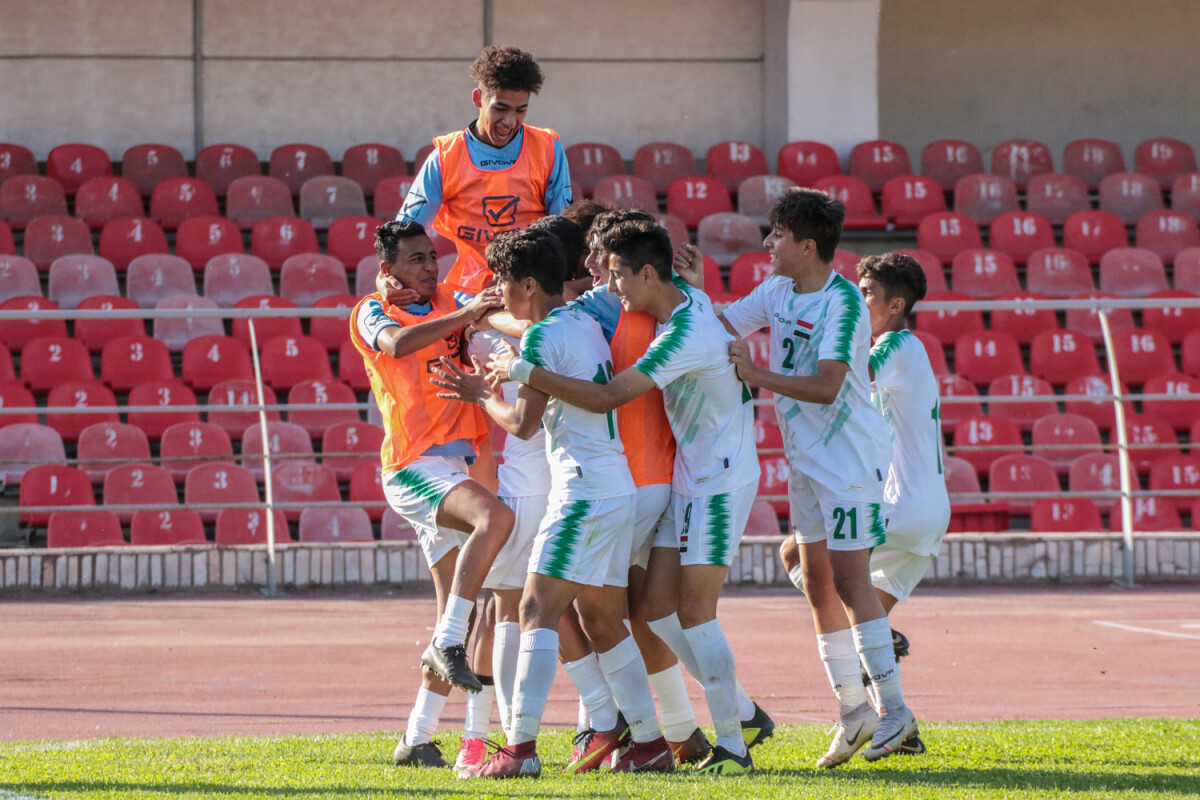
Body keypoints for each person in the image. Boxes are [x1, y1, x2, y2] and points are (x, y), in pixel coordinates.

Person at [490, 219, 762, 776]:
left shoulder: (681, 333)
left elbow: (608, 396)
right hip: (677, 477)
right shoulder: (676, 305)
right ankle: (661, 737)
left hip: (715, 479)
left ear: (648, 273)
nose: (609, 285)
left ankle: (735, 740)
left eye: (615, 273)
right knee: (647, 612)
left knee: (689, 613)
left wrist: (519, 370)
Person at [433, 227, 674, 778]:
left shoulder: (542, 338)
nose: (498, 291)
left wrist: (483, 396)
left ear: (528, 285)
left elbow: (522, 425)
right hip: (615, 485)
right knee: (603, 621)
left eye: (503, 282)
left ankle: (519, 749)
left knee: (535, 610)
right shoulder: (579, 321)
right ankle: (650, 742)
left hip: (582, 490)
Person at [708, 187, 918, 767]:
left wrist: (756, 375)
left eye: (778, 235)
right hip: (806, 460)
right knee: (816, 581)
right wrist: (690, 293)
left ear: (807, 245)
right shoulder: (776, 290)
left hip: (849, 461)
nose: (768, 244)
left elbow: (827, 386)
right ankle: (854, 711)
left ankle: (895, 710)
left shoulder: (844, 302)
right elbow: (721, 324)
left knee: (851, 582)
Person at [348, 221, 514, 767]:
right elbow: (397, 344)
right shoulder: (371, 310)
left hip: (453, 466)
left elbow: (490, 310)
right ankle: (445, 648)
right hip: (412, 465)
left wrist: (481, 312)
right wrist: (466, 315)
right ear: (388, 269)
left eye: (431, 256)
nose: (428, 267)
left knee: (458, 611)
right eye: (415, 259)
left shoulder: (450, 298)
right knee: (495, 520)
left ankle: (416, 739)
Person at [779, 251, 949, 757]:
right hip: (925, 511)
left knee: (797, 555)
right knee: (864, 630)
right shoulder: (903, 348)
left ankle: (885, 711)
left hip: (903, 502)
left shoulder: (895, 345)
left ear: (896, 305)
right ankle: (900, 729)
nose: (858, 300)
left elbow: (843, 378)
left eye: (868, 293)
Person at [397, 45, 572, 295]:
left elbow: (564, 233)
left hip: (533, 291)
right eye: (500, 109)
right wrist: (387, 278)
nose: (509, 121)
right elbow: (404, 232)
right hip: (469, 293)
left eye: (520, 110)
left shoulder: (548, 149)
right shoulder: (445, 157)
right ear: (478, 99)